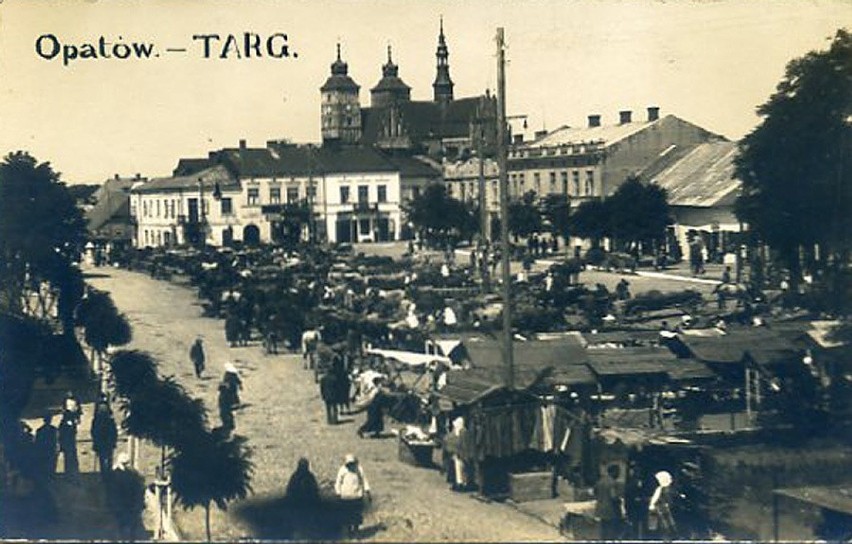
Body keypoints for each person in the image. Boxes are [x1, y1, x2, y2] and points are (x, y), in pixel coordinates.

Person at [108, 452, 146, 540]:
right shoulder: (115, 474)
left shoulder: (132, 473)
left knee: (129, 525)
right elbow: (112, 490)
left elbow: (139, 487)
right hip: (121, 503)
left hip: (129, 503)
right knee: (121, 524)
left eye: (126, 463)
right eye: (125, 463)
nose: (126, 465)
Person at [334, 454, 371, 536]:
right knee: (347, 515)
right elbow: (338, 482)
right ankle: (349, 531)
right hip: (346, 497)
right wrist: (338, 493)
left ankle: (356, 531)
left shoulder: (359, 469)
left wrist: (367, 492)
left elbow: (364, 480)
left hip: (357, 496)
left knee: (356, 515)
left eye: (352, 463)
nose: (350, 465)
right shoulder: (342, 470)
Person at [595, 464, 626, 539]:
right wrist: (619, 501)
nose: (618, 474)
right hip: (610, 509)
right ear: (613, 472)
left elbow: (595, 493)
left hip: (600, 508)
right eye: (618, 472)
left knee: (603, 529)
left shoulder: (600, 481)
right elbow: (613, 496)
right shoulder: (612, 482)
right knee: (611, 530)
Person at [91, 402, 119, 476]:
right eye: (101, 409)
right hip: (101, 443)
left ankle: (109, 473)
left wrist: (113, 441)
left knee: (109, 459)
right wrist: (95, 441)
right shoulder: (96, 420)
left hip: (108, 443)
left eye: (104, 409)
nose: (103, 410)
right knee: (102, 459)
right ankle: (104, 474)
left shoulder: (110, 420)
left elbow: (114, 432)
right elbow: (94, 432)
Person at [648, 470, 677, 539]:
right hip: (661, 507)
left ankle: (668, 535)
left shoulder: (664, 489)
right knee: (664, 522)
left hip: (662, 507)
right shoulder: (662, 489)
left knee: (665, 522)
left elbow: (659, 498)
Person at [34, 413, 58, 479]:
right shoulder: (54, 429)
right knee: (50, 464)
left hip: (45, 450)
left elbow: (37, 442)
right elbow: (56, 440)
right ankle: (50, 476)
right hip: (49, 450)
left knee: (47, 464)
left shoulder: (40, 430)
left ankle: (48, 476)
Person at [58, 408, 79, 475]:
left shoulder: (65, 422)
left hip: (69, 443)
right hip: (68, 443)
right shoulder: (67, 423)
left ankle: (71, 472)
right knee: (69, 458)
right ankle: (70, 472)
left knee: (69, 458)